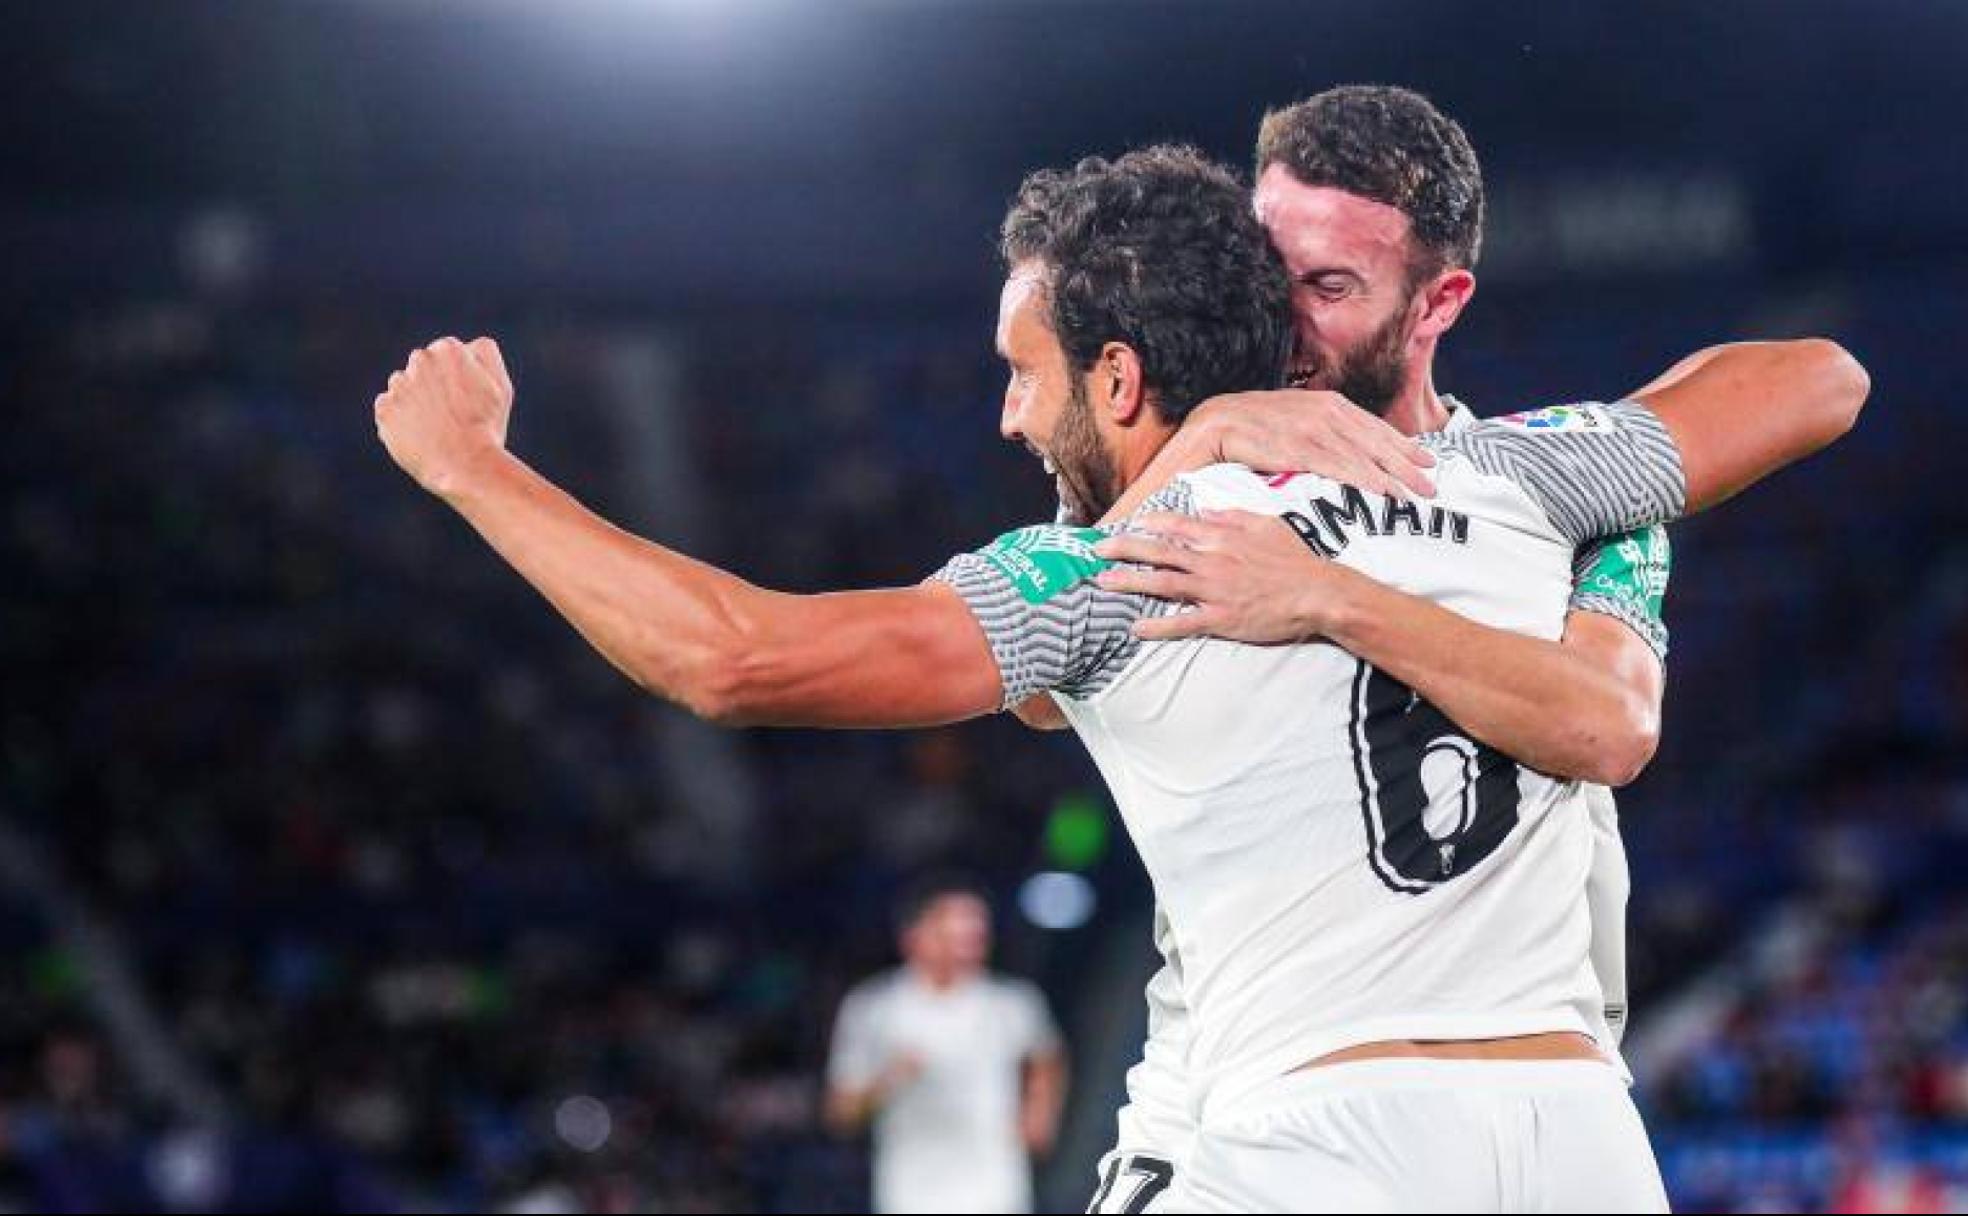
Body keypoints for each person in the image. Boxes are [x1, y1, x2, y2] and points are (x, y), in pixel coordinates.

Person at [372, 143, 1865, 1210]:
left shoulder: (1109, 571)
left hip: (1307, 1142)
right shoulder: (1513, 473)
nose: (1010, 416)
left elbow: (734, 657)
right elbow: (1813, 378)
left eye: (1024, 372)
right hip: (1582, 1137)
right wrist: (1603, 517)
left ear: (1120, 381)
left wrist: (477, 474)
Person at [1065, 85, 1687, 1212]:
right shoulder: (1200, 481)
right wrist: (1199, 436)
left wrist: (1325, 594)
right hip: (1242, 1086)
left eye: (1330, 287)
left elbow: (1610, 719)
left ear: (1439, 299)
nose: (1284, 321)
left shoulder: (1550, 496)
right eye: (1271, 276)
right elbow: (1035, 686)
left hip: (1538, 1089)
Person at [824, 877, 1066, 1215]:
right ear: (914, 936)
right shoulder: (875, 1008)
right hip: (912, 1191)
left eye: (975, 932)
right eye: (953, 931)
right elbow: (841, 1112)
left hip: (995, 1187)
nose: (968, 941)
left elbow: (1046, 1055)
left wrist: (1040, 1114)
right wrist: (888, 1079)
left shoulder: (1010, 1004)